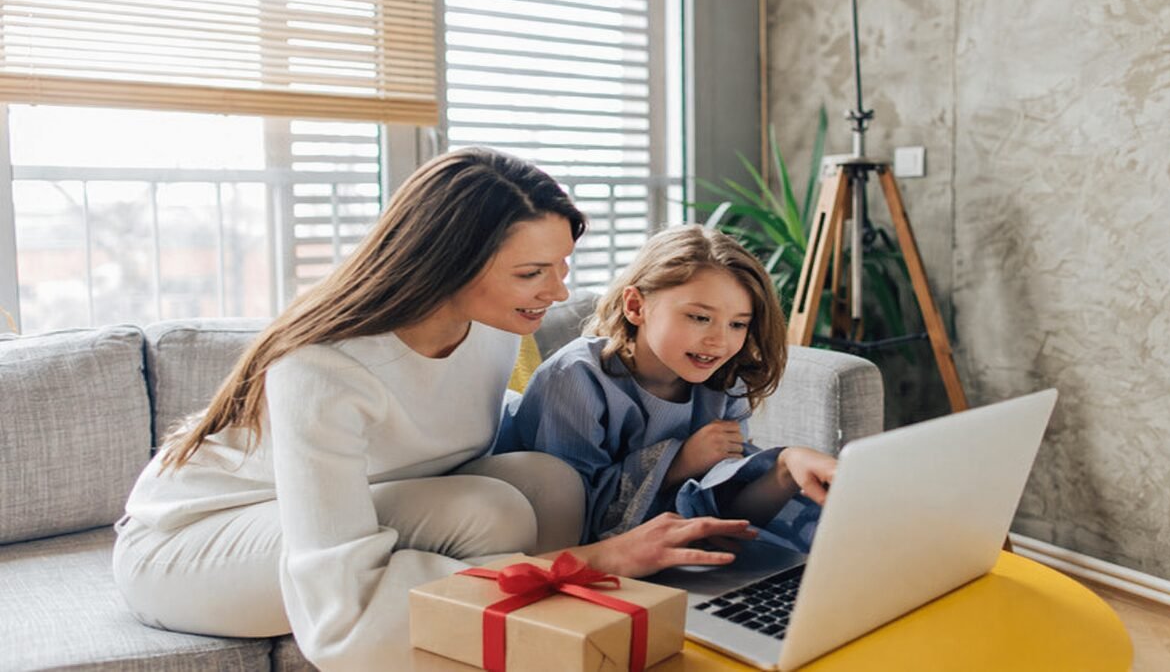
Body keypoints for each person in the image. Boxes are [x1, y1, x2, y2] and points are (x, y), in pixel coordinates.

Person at [112, 148, 753, 671]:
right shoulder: (323, 367)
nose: (558, 293)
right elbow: (341, 623)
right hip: (192, 543)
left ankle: (555, 631)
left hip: (365, 501)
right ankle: (531, 615)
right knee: (483, 516)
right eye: (533, 272)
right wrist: (598, 558)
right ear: (452, 261)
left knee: (544, 482)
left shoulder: (496, 327)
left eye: (561, 267)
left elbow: (459, 430)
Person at [499, 225, 837, 547]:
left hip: (665, 551)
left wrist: (785, 468)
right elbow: (572, 521)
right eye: (699, 317)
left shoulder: (723, 381)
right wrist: (679, 462)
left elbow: (723, 508)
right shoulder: (576, 378)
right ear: (635, 306)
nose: (719, 342)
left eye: (737, 324)